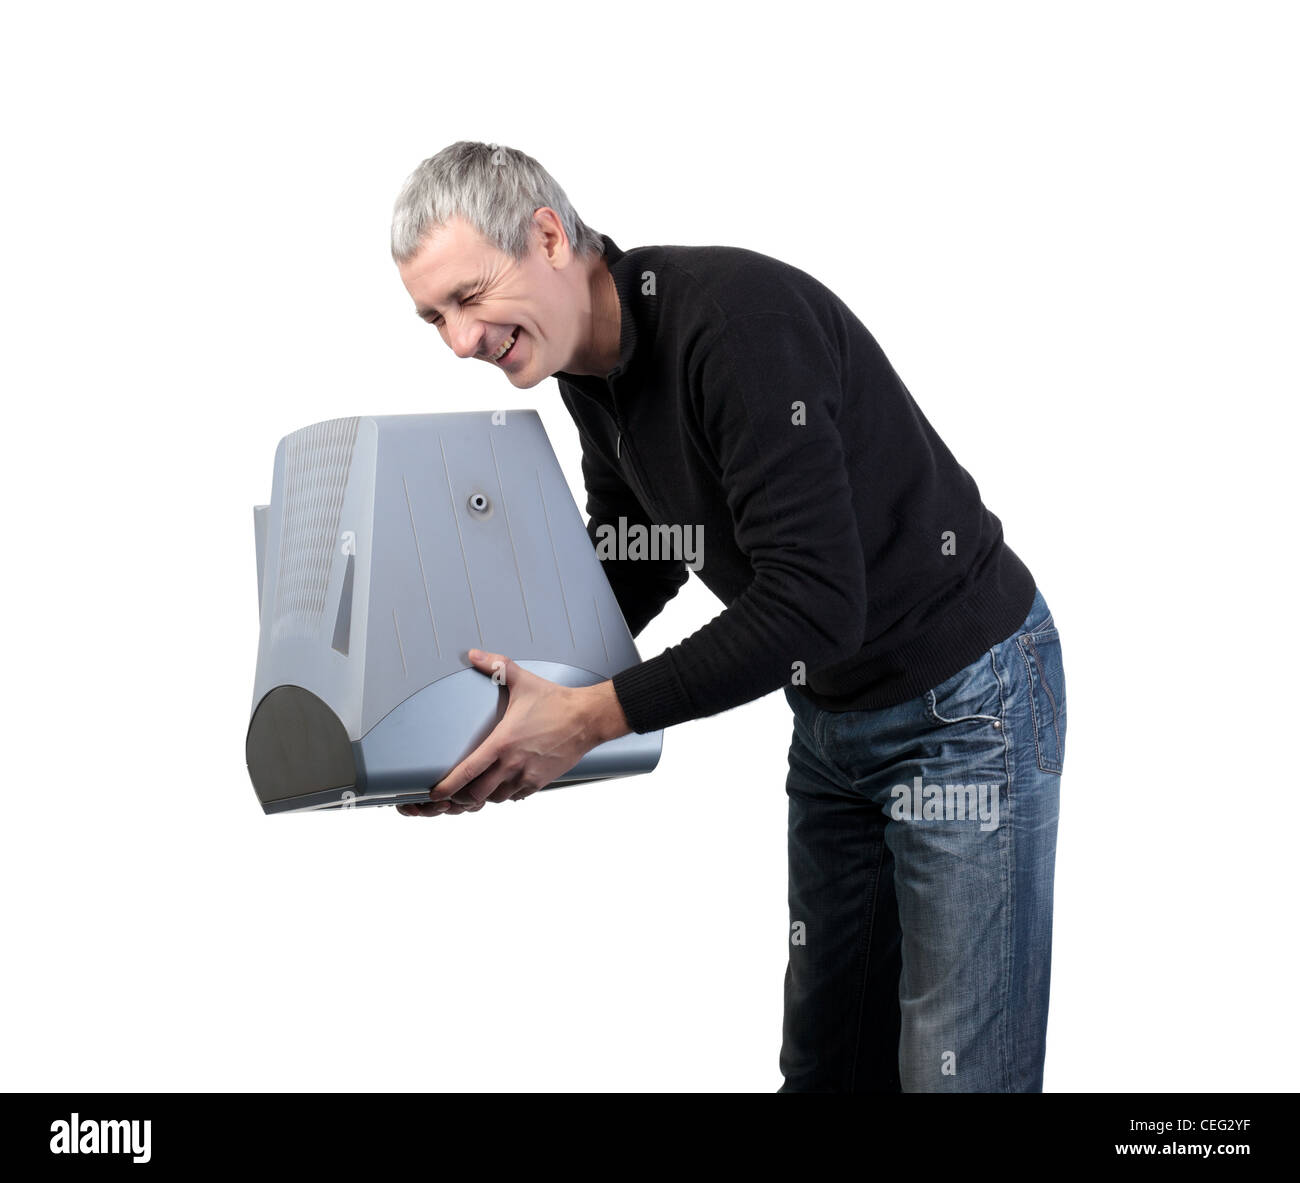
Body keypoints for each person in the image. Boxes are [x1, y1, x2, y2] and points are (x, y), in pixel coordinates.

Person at [389, 141, 1067, 1093]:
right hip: (836, 720)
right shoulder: (589, 364)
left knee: (960, 1079)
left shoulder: (734, 328)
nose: (459, 341)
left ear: (547, 235)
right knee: (827, 1071)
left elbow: (817, 602)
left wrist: (588, 717)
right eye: (434, 319)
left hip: (968, 706)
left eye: (468, 298)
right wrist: (496, 713)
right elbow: (644, 543)